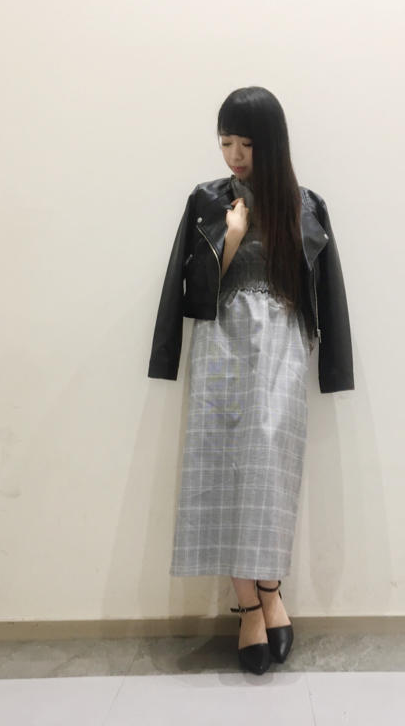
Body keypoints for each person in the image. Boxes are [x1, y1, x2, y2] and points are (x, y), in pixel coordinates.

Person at [148, 86, 354, 675]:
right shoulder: (207, 201)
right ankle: (248, 608)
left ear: (271, 144)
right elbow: (188, 290)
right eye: (225, 143)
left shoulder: (306, 205)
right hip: (221, 341)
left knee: (269, 468)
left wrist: (334, 367)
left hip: (283, 342)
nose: (234, 156)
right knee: (220, 466)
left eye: (246, 144)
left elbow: (327, 291)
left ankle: (270, 590)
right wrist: (232, 235)